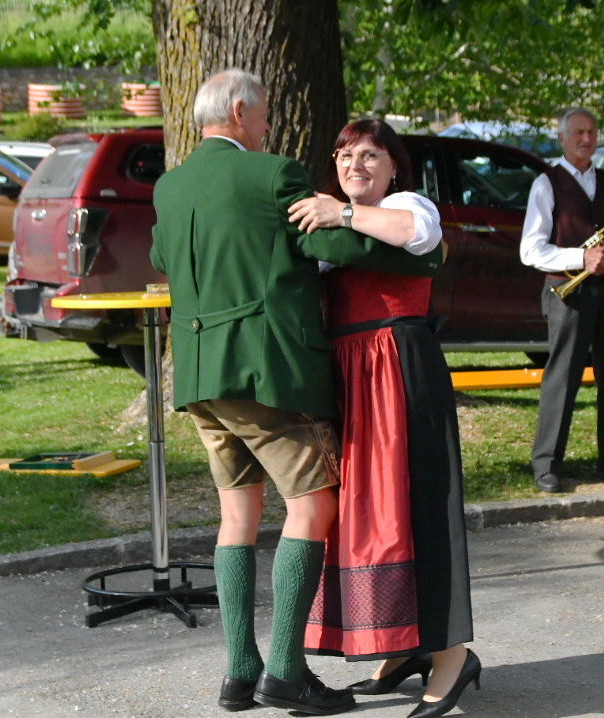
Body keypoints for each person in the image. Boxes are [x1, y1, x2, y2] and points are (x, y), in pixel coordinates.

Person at [149, 70, 441, 716]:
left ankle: (238, 672)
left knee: (236, 519)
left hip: (200, 378)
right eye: (263, 112)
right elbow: (330, 240)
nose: (269, 123)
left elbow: (164, 256)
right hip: (268, 375)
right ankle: (284, 671)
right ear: (236, 110)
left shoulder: (170, 187)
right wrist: (415, 257)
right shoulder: (272, 174)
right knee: (312, 507)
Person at [288, 119, 478, 718]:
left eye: (370, 155)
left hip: (399, 364)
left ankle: (452, 655)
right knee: (371, 513)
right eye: (344, 156)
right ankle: (400, 646)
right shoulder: (331, 225)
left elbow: (415, 233)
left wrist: (340, 214)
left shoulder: (404, 205)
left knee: (419, 508)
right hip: (352, 376)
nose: (355, 166)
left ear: (394, 166)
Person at [519, 107, 604, 494]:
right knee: (563, 375)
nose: (586, 139)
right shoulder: (546, 183)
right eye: (578, 133)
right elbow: (530, 249)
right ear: (561, 138)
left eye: (591, 131)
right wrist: (580, 257)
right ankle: (547, 464)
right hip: (566, 290)